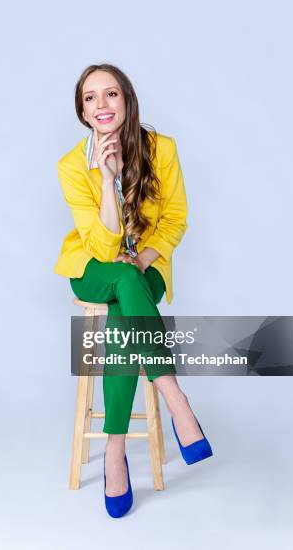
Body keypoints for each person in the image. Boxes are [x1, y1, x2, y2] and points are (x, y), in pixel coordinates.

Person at [54, 63, 213, 517]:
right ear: (82, 111)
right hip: (94, 268)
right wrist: (107, 180)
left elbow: (176, 218)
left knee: (127, 308)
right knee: (120, 279)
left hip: (145, 268)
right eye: (90, 98)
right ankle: (177, 399)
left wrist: (145, 256)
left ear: (127, 100)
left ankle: (115, 451)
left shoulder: (161, 149)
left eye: (111, 94)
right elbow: (102, 247)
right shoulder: (71, 166)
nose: (101, 105)